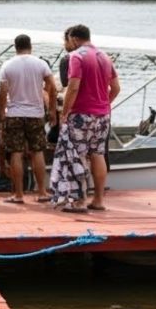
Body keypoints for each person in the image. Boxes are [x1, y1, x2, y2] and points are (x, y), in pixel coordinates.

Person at [51, 24, 120, 212]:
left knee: (77, 156)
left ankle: (79, 201)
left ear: (73, 39)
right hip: (102, 115)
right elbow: (116, 88)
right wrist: (104, 104)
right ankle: (98, 200)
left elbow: (73, 87)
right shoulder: (105, 57)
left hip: (81, 114)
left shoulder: (76, 56)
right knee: (98, 155)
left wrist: (65, 112)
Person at [0, 34, 58, 203]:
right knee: (37, 152)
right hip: (35, 114)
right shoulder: (40, 64)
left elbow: (2, 92)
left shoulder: (7, 65)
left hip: (14, 113)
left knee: (16, 153)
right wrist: (52, 109)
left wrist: (2, 113)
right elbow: (52, 87)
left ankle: (18, 194)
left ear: (15, 47)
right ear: (30, 46)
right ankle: (42, 192)